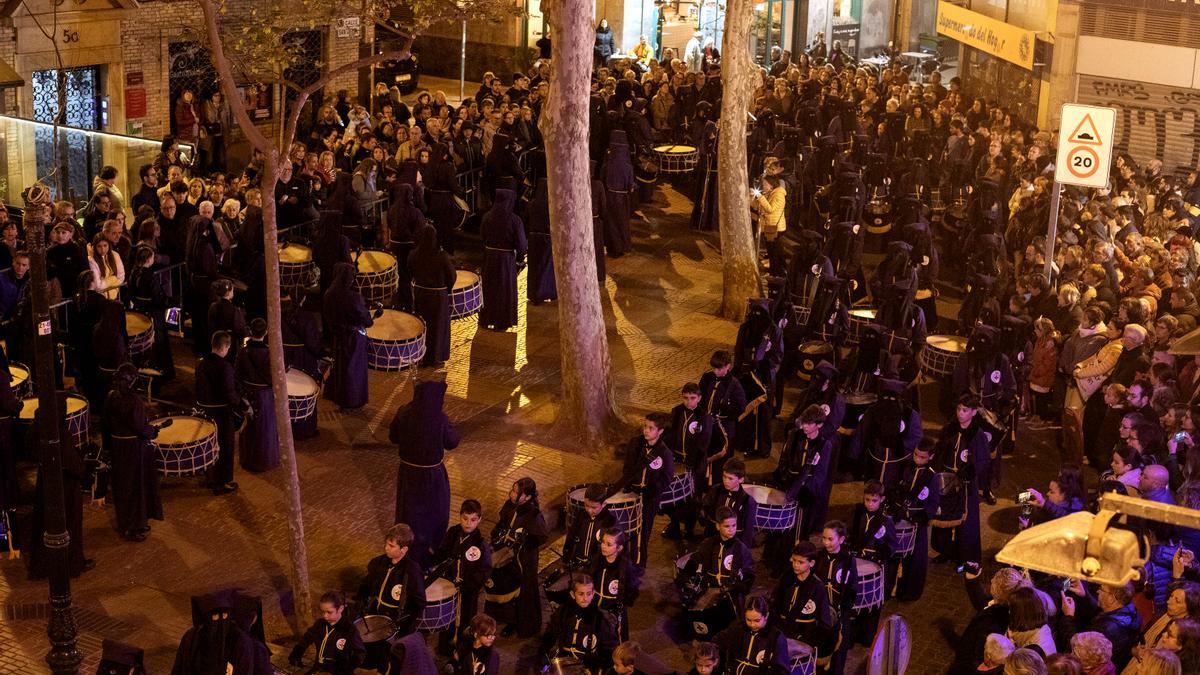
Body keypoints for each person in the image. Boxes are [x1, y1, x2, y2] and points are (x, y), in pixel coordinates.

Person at [390, 378, 459, 565]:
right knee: (434, 513)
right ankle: (430, 552)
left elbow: (393, 436)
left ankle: (407, 548)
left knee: (409, 512)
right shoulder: (439, 418)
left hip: (408, 473)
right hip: (432, 476)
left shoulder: (404, 412)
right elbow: (452, 442)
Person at [104, 363, 164, 542]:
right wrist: (153, 432)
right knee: (137, 486)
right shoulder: (134, 402)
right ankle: (136, 526)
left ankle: (125, 523)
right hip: (134, 449)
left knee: (122, 486)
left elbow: (105, 423)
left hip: (117, 447)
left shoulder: (111, 397)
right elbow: (140, 427)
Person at [356, 523, 427, 668]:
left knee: (389, 660)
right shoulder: (379, 563)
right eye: (386, 544)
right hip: (376, 615)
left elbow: (419, 603)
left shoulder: (412, 571)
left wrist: (405, 624)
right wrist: (361, 601)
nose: (386, 548)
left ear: (404, 549)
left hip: (396, 621)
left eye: (391, 545)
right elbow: (366, 585)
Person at [486, 477, 548, 638]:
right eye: (513, 490)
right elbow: (502, 524)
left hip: (525, 559)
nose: (512, 494)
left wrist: (525, 539)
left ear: (527, 497)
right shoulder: (510, 505)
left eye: (516, 492)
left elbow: (541, 537)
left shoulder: (533, 513)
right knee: (507, 587)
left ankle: (525, 624)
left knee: (524, 591)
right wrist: (497, 535)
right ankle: (509, 620)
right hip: (508, 555)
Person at [611, 411, 674, 568]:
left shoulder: (665, 453)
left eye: (651, 428)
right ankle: (623, 560)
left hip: (649, 498)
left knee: (643, 531)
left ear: (660, 431)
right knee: (626, 528)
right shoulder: (635, 443)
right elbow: (628, 468)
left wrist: (652, 492)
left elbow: (666, 479)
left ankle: (639, 563)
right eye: (645, 426)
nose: (646, 430)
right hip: (632, 494)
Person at [430, 499, 493, 655]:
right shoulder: (453, 533)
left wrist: (470, 585)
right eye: (465, 518)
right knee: (448, 618)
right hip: (450, 587)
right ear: (459, 516)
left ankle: (463, 650)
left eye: (472, 520)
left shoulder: (480, 544)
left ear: (479, 520)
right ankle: (445, 648)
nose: (468, 523)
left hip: (468, 591)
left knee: (466, 620)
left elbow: (485, 570)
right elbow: (443, 554)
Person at [891, 439, 939, 601]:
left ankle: (910, 591)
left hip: (917, 524)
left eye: (922, 457)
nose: (917, 459)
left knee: (915, 559)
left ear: (930, 457)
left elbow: (933, 503)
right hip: (900, 518)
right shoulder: (906, 467)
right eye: (916, 455)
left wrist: (921, 517)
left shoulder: (932, 477)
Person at [196, 331, 243, 496]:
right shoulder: (225, 367)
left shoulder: (201, 364)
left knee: (209, 445)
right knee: (224, 447)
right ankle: (222, 482)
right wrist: (240, 403)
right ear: (224, 347)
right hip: (222, 414)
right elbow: (229, 393)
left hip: (206, 412)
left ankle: (210, 476)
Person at [541, 573, 620, 670]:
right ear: (572, 594)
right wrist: (544, 652)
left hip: (588, 667)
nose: (585, 598)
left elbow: (610, 648)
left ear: (593, 594)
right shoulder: (563, 612)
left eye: (588, 594)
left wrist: (598, 662)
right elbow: (551, 633)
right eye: (581, 594)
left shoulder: (601, 618)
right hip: (565, 662)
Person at [323, 262, 373, 410]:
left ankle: (338, 396)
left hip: (338, 336)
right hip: (354, 338)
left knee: (340, 367)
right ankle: (352, 399)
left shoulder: (329, 294)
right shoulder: (353, 297)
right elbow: (366, 320)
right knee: (353, 369)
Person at [773, 541, 836, 655]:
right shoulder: (786, 579)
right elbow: (776, 605)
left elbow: (824, 621)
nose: (796, 565)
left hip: (804, 637)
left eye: (801, 562)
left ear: (811, 563)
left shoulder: (817, 587)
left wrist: (811, 641)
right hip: (783, 631)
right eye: (794, 560)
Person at [171, 591, 256, 674]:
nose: (220, 622)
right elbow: (179, 669)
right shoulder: (192, 638)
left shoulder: (241, 642)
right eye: (214, 616)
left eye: (224, 615)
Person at [235, 318, 279, 472]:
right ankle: (265, 460)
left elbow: (237, 375)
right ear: (266, 332)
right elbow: (273, 377)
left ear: (250, 331)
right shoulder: (268, 353)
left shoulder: (242, 351)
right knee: (265, 428)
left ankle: (249, 459)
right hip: (264, 396)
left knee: (250, 428)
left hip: (248, 394)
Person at [479, 188, 527, 331]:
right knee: (504, 290)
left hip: (489, 259)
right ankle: (502, 321)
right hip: (506, 260)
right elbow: (522, 245)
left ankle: (486, 318)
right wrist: (519, 258)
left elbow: (482, 236)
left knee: (489, 289)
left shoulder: (487, 217)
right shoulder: (514, 220)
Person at [408, 225, 456, 367]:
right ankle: (435, 358)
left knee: (422, 325)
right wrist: (446, 289)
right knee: (437, 326)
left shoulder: (413, 254)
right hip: (437, 296)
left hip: (421, 293)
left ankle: (420, 355)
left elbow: (410, 270)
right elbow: (451, 276)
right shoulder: (441, 256)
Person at [287, 590, 365, 673]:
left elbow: (360, 654)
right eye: (323, 612)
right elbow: (306, 639)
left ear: (340, 609)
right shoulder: (320, 624)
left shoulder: (349, 629)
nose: (325, 616)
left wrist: (345, 668)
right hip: (319, 668)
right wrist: (297, 652)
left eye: (329, 612)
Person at [128, 245, 176, 380]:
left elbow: (131, 293)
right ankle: (161, 372)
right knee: (157, 342)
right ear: (149, 259)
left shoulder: (133, 273)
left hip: (141, 312)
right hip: (154, 313)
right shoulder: (149, 276)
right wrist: (169, 302)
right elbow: (158, 297)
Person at [816, 520, 858, 674]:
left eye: (830, 539)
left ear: (841, 539)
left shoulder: (847, 560)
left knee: (839, 647)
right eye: (824, 538)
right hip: (821, 610)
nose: (826, 542)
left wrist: (844, 608)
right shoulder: (819, 557)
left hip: (839, 611)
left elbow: (853, 586)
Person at [714, 596, 790, 674]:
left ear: (766, 616)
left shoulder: (775, 636)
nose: (752, 624)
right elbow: (716, 642)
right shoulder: (738, 629)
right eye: (748, 620)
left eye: (757, 620)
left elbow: (781, 668)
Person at [562, 483, 616, 570]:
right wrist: (566, 556)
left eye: (594, 507)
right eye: (586, 505)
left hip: (597, 567)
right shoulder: (581, 515)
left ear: (604, 504)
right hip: (577, 563)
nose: (589, 510)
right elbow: (571, 536)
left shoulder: (610, 521)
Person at [525, 177, 557, 304]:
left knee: (534, 267)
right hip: (546, 238)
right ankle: (544, 292)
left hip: (533, 239)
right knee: (546, 267)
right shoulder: (551, 205)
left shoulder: (532, 204)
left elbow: (526, 221)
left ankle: (534, 293)